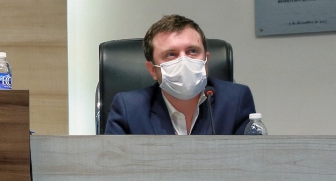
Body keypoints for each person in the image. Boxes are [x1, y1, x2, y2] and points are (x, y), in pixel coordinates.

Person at [105, 14, 256, 135]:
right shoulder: (129, 109)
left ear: (206, 61)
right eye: (171, 54)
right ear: (152, 70)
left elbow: (251, 160)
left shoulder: (236, 100)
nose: (184, 61)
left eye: (192, 51)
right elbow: (114, 163)